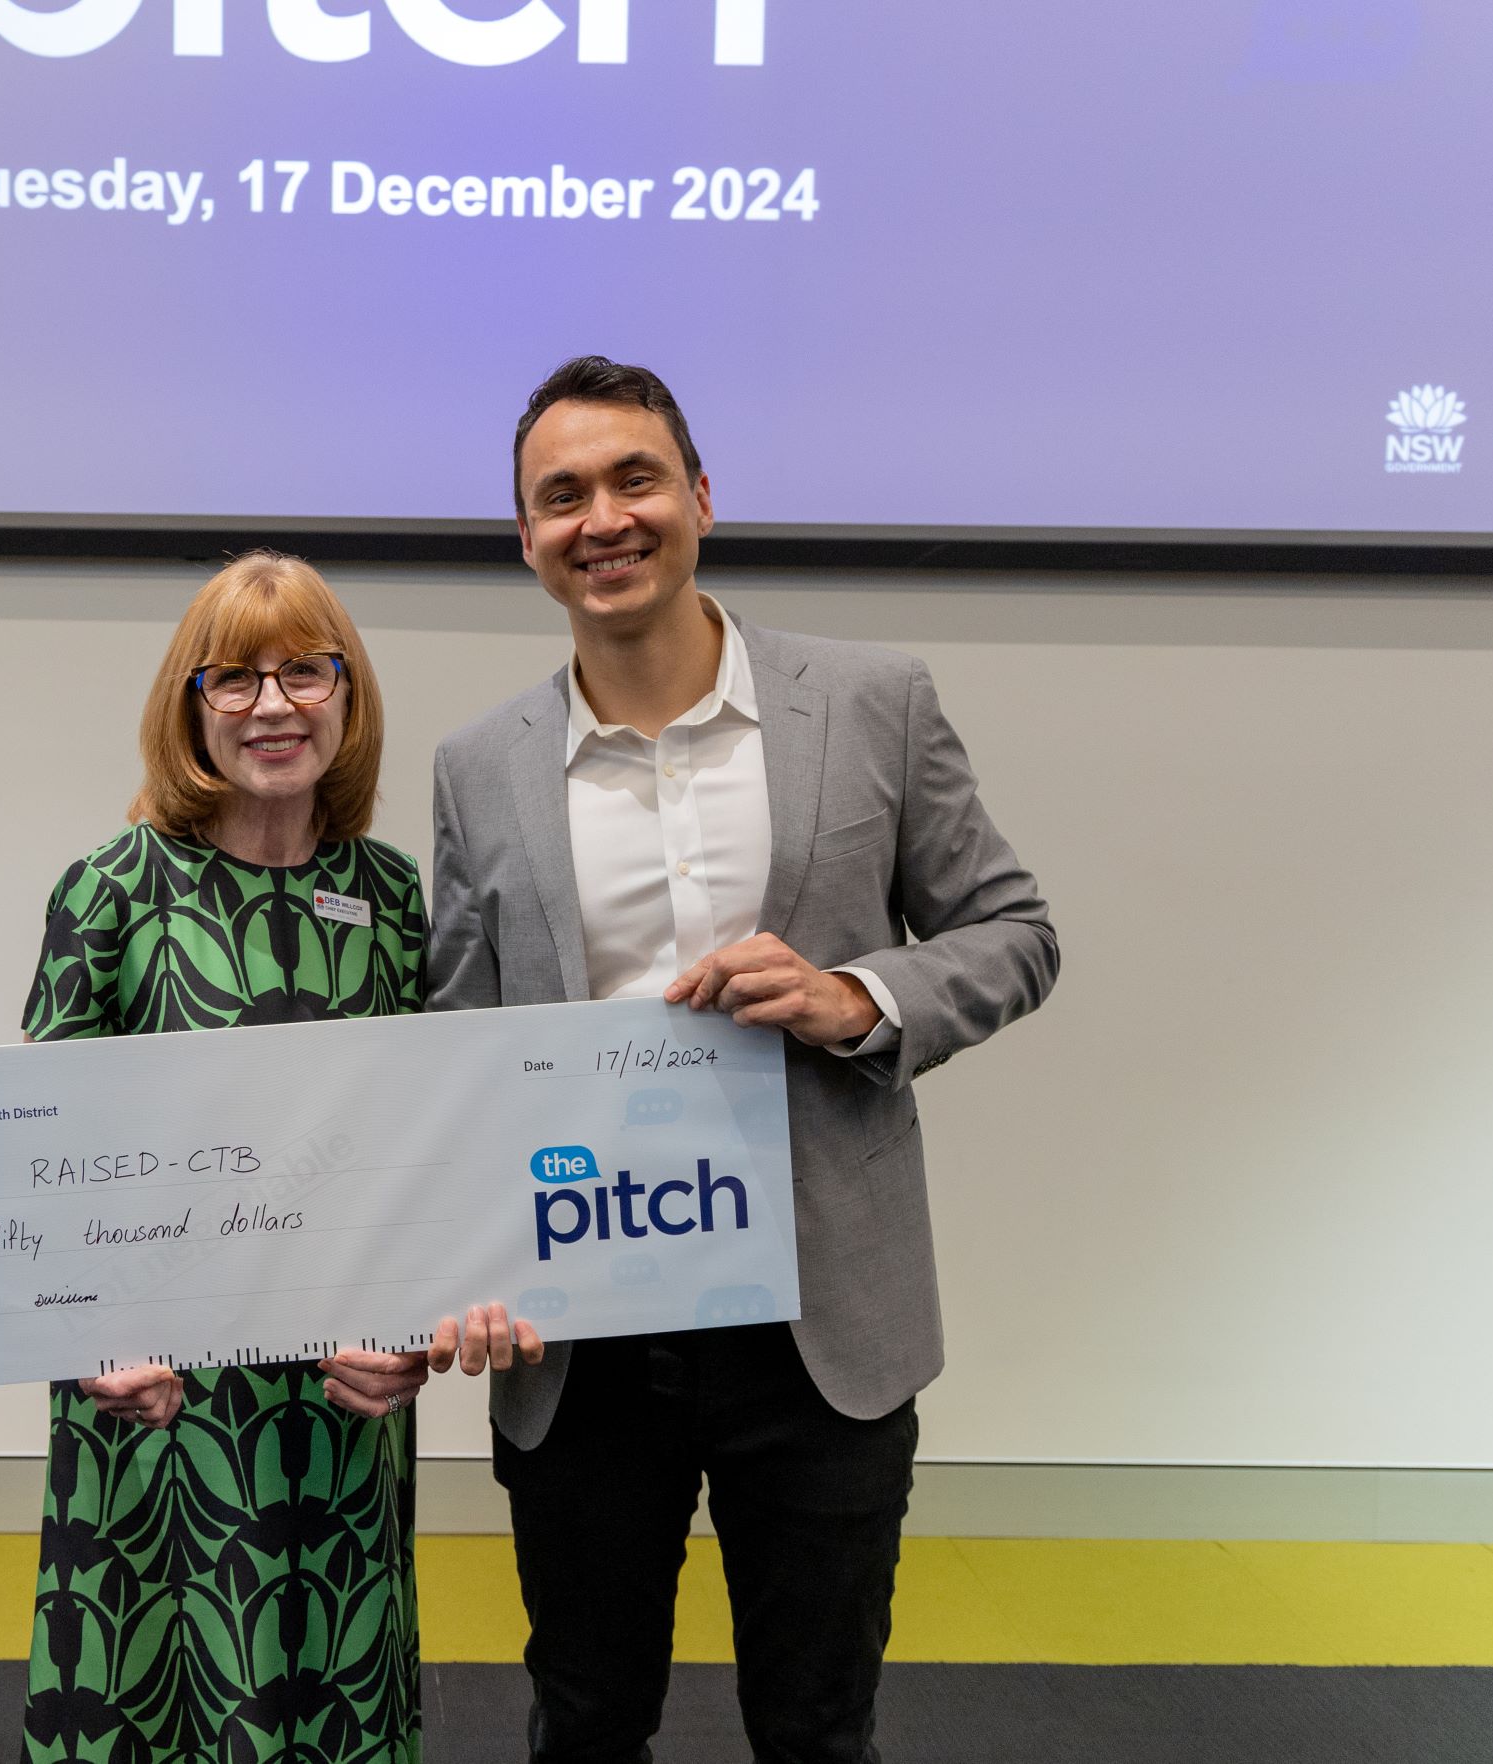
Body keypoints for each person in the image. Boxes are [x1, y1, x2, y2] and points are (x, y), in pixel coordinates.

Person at [427, 358, 1060, 1764]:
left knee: (817, 1728)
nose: (603, 518)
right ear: (525, 539)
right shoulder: (481, 770)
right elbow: (466, 1051)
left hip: (821, 1323)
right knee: (585, 1723)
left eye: (634, 478)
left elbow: (1017, 933)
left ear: (701, 497)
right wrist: (455, 1272)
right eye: (561, 495)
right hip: (583, 1342)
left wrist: (858, 995)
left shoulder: (875, 704)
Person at [17, 552, 437, 1764]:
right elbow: (41, 1164)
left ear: (346, 697)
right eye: (235, 678)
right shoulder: (109, 890)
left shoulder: (394, 897)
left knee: (329, 1711)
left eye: (306, 671)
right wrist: (101, 1341)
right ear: (188, 704)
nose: (272, 705)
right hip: (155, 1405)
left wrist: (411, 1328)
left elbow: (421, 1156)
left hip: (337, 1406)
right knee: (151, 1707)